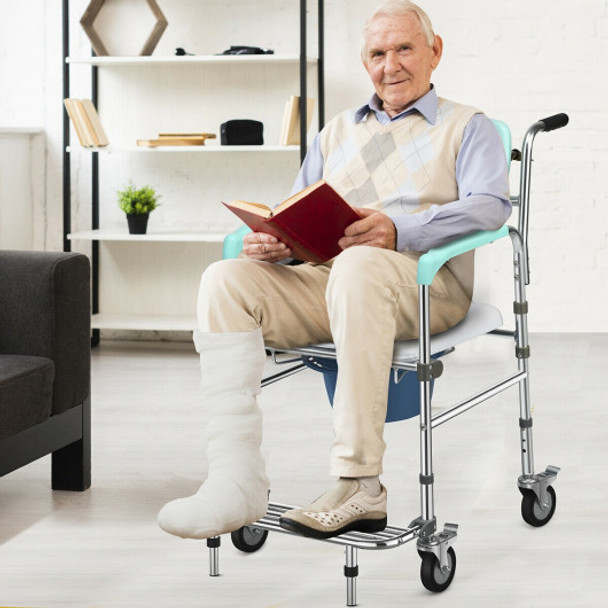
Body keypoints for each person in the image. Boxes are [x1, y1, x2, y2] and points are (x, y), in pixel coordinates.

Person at [158, 0, 510, 541]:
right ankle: (236, 479)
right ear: (364, 63)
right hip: (335, 280)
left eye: (404, 49)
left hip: (424, 285)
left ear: (434, 52)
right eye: (377, 53)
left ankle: (360, 483)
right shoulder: (336, 131)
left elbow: (490, 207)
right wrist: (280, 244)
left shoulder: (470, 126)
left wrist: (398, 230)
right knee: (223, 279)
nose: (390, 65)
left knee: (363, 264)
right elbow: (299, 207)